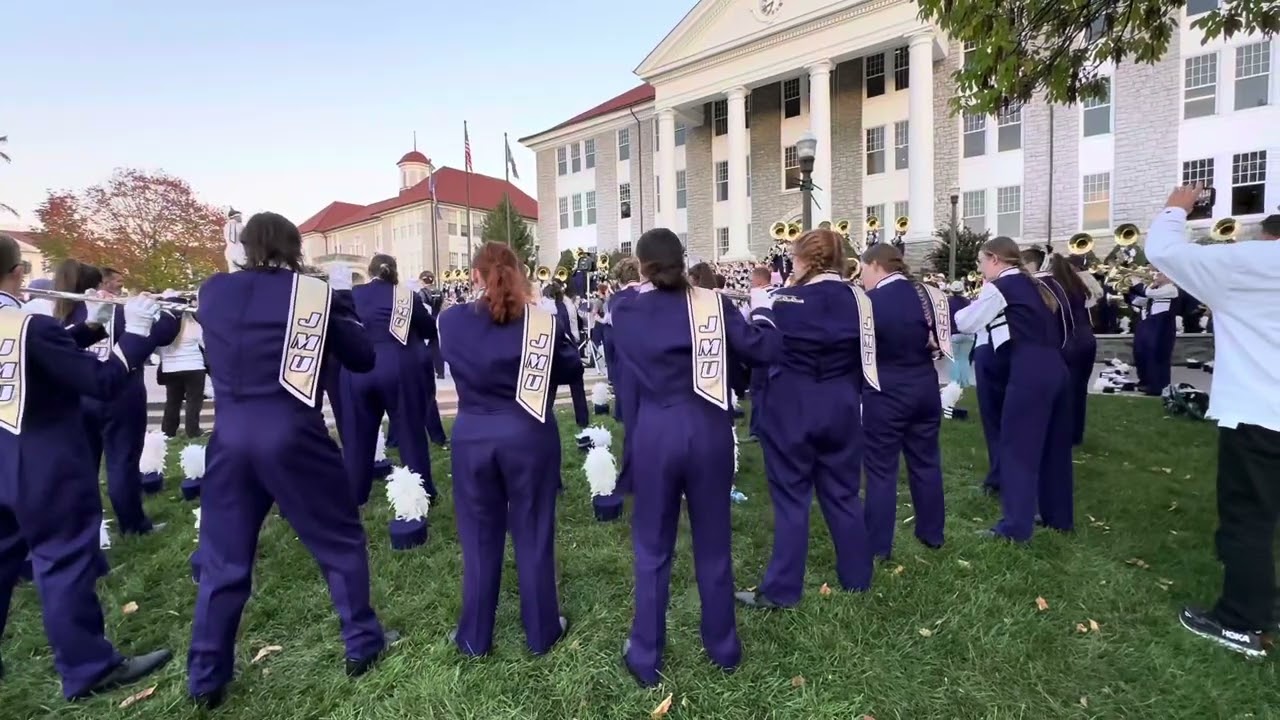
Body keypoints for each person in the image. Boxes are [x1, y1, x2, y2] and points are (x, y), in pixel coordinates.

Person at [189, 212, 396, 708]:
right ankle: (361, 642)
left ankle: (205, 675)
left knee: (224, 560)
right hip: (290, 431)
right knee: (338, 539)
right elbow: (362, 357)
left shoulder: (212, 291)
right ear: (293, 247)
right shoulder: (312, 293)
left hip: (232, 433)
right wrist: (340, 302)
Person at [0, 233, 174, 700]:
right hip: (42, 462)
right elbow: (99, 380)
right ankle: (88, 666)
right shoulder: (27, 325)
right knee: (63, 560)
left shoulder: (29, 329)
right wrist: (135, 334)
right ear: (17, 273)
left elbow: (40, 359)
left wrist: (93, 326)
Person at [611, 229, 779, 687]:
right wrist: (761, 306)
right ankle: (723, 647)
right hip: (707, 429)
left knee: (651, 547)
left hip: (656, 432)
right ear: (683, 260)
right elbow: (764, 349)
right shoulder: (713, 305)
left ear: (642, 265)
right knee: (713, 543)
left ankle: (645, 654)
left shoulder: (624, 310)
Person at [1144, 188, 1280, 657]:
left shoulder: (1254, 261)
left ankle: (1243, 620)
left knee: (1249, 518)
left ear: (1268, 231)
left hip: (1260, 411)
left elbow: (1162, 250)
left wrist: (1179, 205)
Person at [438, 242, 581, 657]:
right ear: (518, 276)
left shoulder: (451, 321)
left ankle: (474, 637)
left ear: (475, 276)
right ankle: (541, 631)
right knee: (533, 531)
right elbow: (571, 367)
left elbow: (452, 358)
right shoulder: (541, 322)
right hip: (528, 434)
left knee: (479, 538)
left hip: (474, 435)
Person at [736, 230, 879, 609]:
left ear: (803, 260)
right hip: (843, 405)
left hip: (792, 407)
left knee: (791, 499)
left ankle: (783, 589)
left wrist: (760, 309)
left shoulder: (781, 300)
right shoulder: (861, 300)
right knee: (843, 494)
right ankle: (857, 575)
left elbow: (761, 351)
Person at [955, 236, 1073, 542]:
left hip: (1029, 370)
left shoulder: (1001, 286)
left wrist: (960, 309)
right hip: (1057, 368)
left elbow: (967, 322)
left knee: (1017, 448)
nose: (980, 270)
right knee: (1054, 448)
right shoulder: (1036, 285)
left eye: (981, 262)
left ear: (995, 259)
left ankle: (1016, 527)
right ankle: (1059, 517)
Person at [56, 261, 178, 535]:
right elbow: (158, 335)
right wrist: (171, 307)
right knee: (121, 462)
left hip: (79, 397)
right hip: (120, 395)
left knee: (85, 465)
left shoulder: (57, 315)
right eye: (112, 284)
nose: (116, 289)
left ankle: (87, 527)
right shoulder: (117, 310)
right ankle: (133, 526)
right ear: (97, 285)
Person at [858, 244, 946, 559]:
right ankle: (932, 532)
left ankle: (878, 545)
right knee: (926, 462)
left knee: (881, 470)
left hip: (886, 391)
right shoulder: (928, 295)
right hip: (925, 386)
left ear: (876, 266)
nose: (861, 276)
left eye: (863, 269)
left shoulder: (869, 302)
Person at [341, 254, 439, 505]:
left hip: (358, 367)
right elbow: (429, 329)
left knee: (358, 437)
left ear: (369, 271)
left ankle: (355, 494)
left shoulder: (353, 294)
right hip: (399, 367)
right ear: (394, 272)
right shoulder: (406, 296)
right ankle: (421, 492)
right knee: (410, 433)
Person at [157, 297, 207, 438]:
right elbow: (204, 344)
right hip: (193, 366)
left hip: (170, 368)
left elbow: (157, 346)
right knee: (193, 402)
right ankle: (193, 430)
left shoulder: (163, 326)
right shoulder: (193, 325)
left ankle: (168, 431)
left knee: (172, 401)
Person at [541, 282, 589, 429]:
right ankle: (583, 421)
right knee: (578, 389)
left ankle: (544, 419)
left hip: (553, 356)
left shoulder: (545, 311)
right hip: (570, 353)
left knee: (549, 392)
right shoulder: (568, 306)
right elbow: (575, 332)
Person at [1128, 270, 1180, 395]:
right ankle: (1146, 382)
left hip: (1162, 326)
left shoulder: (1171, 289)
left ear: (1168, 276)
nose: (1154, 276)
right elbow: (1139, 301)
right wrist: (1131, 290)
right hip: (1151, 323)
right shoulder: (1157, 290)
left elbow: (1148, 293)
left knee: (1157, 355)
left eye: (1159, 273)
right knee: (1143, 353)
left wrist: (1138, 283)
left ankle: (1158, 386)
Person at [745, 265, 774, 440]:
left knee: (757, 390)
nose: (750, 283)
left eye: (752, 279)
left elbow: (748, 319)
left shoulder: (757, 296)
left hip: (761, 346)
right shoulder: (780, 293)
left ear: (758, 280)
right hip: (778, 348)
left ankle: (756, 430)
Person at [946, 281, 975, 387]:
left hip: (953, 333)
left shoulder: (947, 302)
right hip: (968, 333)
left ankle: (955, 382)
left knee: (955, 359)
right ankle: (965, 382)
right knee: (965, 358)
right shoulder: (968, 302)